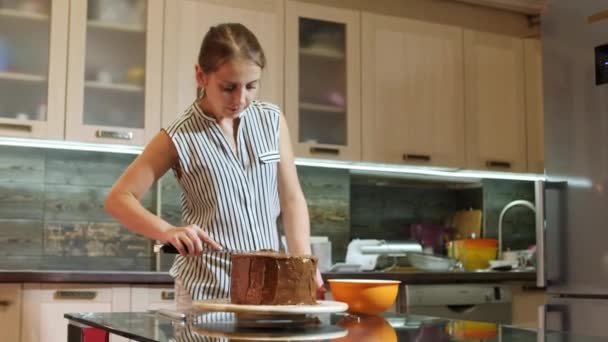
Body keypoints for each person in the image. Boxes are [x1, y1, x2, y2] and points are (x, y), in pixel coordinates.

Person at [105, 23, 324, 310]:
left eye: (251, 86)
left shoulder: (272, 120)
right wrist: (168, 231)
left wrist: (305, 265)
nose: (240, 99)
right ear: (201, 76)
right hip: (208, 290)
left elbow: (292, 198)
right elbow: (118, 198)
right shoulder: (178, 136)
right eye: (228, 87)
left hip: (269, 289)